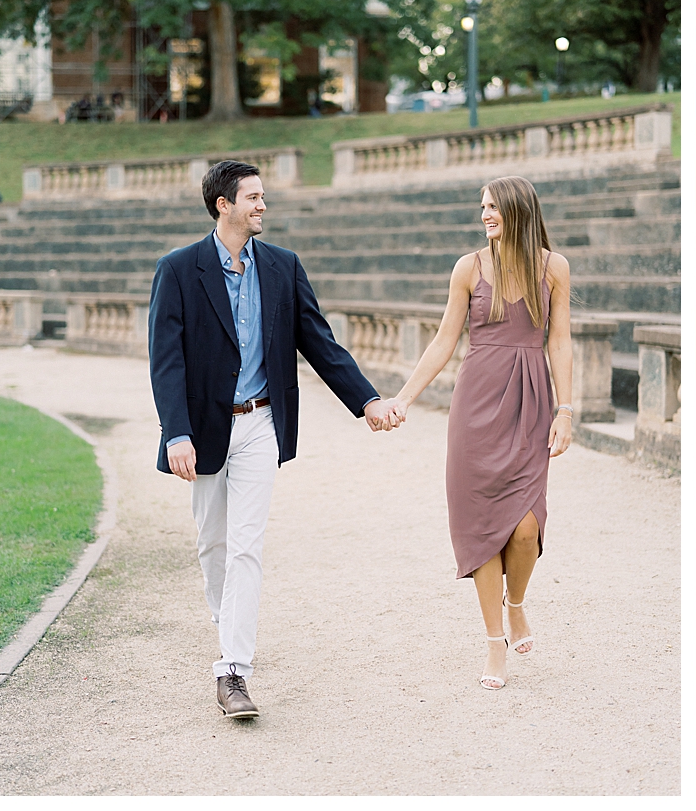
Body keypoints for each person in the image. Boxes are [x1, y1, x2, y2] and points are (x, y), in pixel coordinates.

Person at [148, 159, 399, 719]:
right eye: (253, 197)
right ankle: (228, 623)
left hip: (262, 422)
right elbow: (165, 363)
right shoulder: (178, 269)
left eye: (263, 196)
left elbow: (320, 342)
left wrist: (368, 401)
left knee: (246, 546)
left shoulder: (284, 267)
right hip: (205, 427)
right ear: (224, 205)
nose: (263, 205)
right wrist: (177, 433)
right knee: (213, 543)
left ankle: (233, 669)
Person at [379, 175, 573, 690]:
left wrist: (567, 410)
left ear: (517, 211)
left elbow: (561, 343)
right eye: (482, 206)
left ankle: (517, 605)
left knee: (527, 525)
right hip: (476, 404)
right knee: (482, 526)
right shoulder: (468, 268)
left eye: (493, 207)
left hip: (531, 402)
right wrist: (405, 397)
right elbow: (445, 340)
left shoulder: (554, 268)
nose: (484, 214)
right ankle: (494, 643)